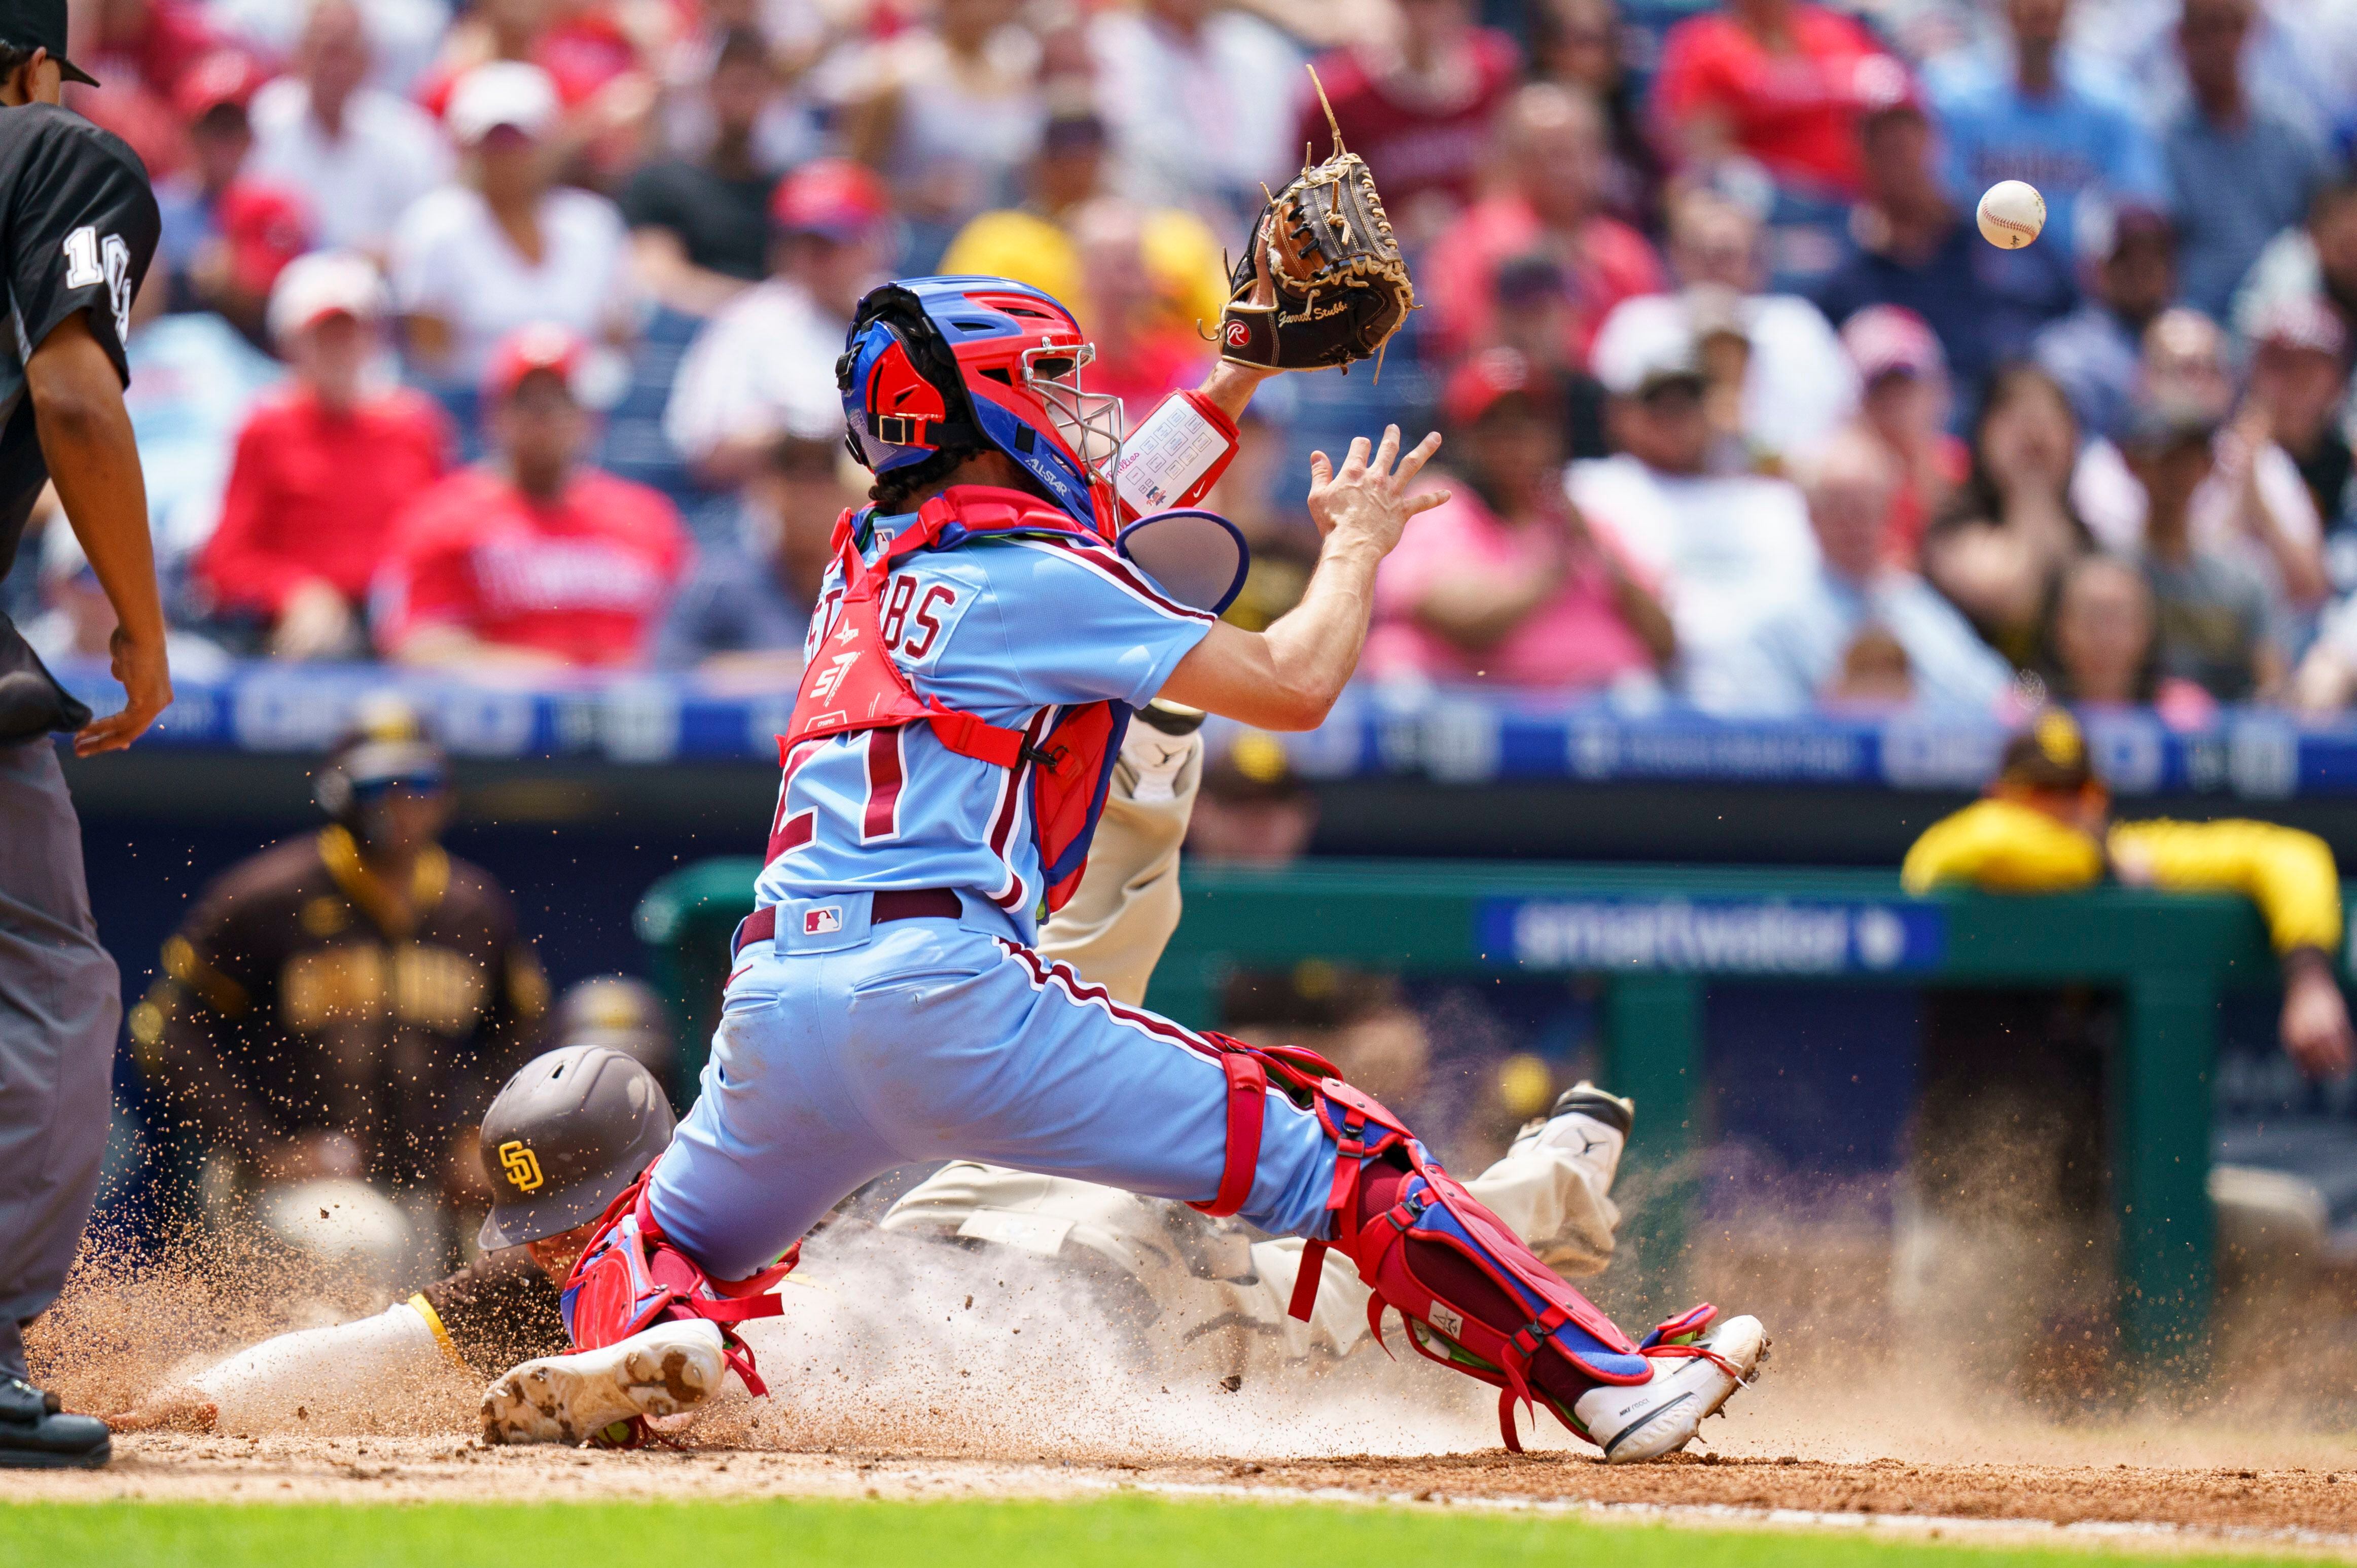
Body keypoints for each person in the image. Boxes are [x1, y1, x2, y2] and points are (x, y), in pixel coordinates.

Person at [476, 273, 1766, 1457]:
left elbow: (1104, 501)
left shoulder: (858, 557)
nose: (1074, 406)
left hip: (779, 1007)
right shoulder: (1036, 576)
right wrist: (1364, 541)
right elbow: (1298, 682)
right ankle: (1610, 1380)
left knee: (650, 1227)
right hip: (951, 991)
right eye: (1042, 382)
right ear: (980, 406)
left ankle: (647, 1331)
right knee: (1345, 1148)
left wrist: (1239, 368)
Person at [103, 729, 1642, 1439]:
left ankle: (1541, 1196)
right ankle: (1544, 1190)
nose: (572, 1246)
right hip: (988, 1251)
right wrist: (201, 1398)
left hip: (1057, 1286)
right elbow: (391, 1338)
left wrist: (657, 1364)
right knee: (1285, 1282)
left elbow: (815, 1324)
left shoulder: (747, 1148)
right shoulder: (576, 1267)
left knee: (1281, 1268)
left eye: (587, 1215)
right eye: (557, 1228)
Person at [0, 0, 170, 1472]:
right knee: (46, 983)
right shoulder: (48, 144)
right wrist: (140, 624)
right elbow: (71, 388)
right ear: (29, 63)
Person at [134, 700, 549, 1217]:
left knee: (518, 1250)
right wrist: (261, 1148)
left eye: (419, 781)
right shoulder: (267, 896)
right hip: (287, 1188)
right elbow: (166, 1030)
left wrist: (478, 1134)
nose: (402, 803)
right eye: (379, 786)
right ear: (338, 792)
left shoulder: (474, 907)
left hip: (430, 1188)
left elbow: (525, 1027)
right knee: (364, 1243)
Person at [373, 323, 689, 671]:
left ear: (589, 418)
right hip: (495, 721)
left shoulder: (646, 517)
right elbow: (417, 644)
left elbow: (692, 641)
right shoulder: (442, 517)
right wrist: (552, 682)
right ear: (495, 416)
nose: (545, 417)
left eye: (560, 400)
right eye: (528, 402)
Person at [1367, 348, 1672, 690]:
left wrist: (1601, 559)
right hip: (1467, 715)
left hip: (1592, 714)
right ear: (1466, 440)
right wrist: (1554, 568)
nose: (1517, 442)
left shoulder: (1582, 518)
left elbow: (1665, 642)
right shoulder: (1439, 502)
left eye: (1530, 424)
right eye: (1498, 427)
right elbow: (1461, 618)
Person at [196, 251, 450, 659]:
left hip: (403, 621)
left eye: (349, 333)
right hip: (309, 627)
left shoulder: (416, 427)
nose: (339, 349)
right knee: (322, 647)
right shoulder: (265, 428)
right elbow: (225, 562)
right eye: (323, 335)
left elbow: (442, 541)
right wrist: (295, 592)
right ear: (291, 345)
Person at [1691, 428, 2011, 716]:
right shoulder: (1776, 614)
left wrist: (2043, 705)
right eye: (1840, 508)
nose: (1855, 524)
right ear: (1812, 516)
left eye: (1867, 508)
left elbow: (2003, 696)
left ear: (1888, 512)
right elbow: (1754, 729)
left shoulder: (1917, 606)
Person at [1567, 327, 1818, 674]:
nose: (1676, 418)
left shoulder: (1772, 503)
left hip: (1765, 691)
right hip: (1639, 691)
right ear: (1622, 414)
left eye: (1690, 403)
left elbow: (1797, 605)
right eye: (1659, 405)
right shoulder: (1590, 489)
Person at [387, 61, 633, 392]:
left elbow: (617, 341)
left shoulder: (593, 224)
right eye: (494, 141)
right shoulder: (436, 227)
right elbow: (432, 362)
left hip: (578, 418)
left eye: (519, 140)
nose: (507, 155)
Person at [663, 158, 892, 492]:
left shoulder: (905, 314)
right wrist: (808, 435)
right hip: (771, 510)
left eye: (828, 244)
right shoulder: (750, 322)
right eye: (799, 243)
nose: (810, 258)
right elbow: (709, 458)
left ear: (871, 243)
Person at [1589, 187, 1856, 469]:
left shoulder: (1798, 326)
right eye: (1701, 252)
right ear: (1676, 256)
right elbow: (1612, 424)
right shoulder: (1638, 324)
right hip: (1656, 490)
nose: (1714, 267)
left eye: (1727, 255)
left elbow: (1845, 426)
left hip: (1781, 495)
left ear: (1758, 262)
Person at [1422, 83, 1664, 372]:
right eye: (1548, 154)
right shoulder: (1474, 242)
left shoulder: (1626, 250)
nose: (1565, 169)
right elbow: (1463, 341)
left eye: (1578, 152)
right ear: (1511, 160)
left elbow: (1653, 352)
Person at [1925, 0, 2166, 275]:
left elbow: (2141, 209)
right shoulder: (1952, 97)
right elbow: (1935, 211)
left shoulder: (2112, 101)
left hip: (2082, 296)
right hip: (1977, 293)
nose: (2038, 8)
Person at [1812, 96, 2014, 397]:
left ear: (1935, 147)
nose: (1903, 163)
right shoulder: (1847, 284)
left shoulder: (1994, 243)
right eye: (1887, 150)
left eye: (1909, 144)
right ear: (1865, 161)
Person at [832, 0, 1041, 272]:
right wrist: (915, 198)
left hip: (992, 257)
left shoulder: (1016, 78)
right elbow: (850, 180)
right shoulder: (898, 74)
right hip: (910, 255)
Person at [1292, 0, 1521, 244]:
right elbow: (1306, 209)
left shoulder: (1495, 69)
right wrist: (1390, 228)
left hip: (1482, 249)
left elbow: (1516, 182)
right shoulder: (1340, 94)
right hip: (1378, 262)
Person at [2163, 0, 2329, 323]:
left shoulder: (2293, 132)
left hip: (2287, 323)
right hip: (2194, 324)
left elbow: (2319, 234)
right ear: (2182, 38)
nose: (2224, 43)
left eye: (2236, 27)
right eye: (2210, 27)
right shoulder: (2159, 138)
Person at [243, 0, 451, 256]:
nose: (330, 67)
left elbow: (429, 235)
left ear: (368, 59)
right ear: (297, 55)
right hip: (282, 279)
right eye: (320, 50)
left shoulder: (409, 135)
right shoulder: (262, 123)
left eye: (342, 51)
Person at [1919, 362, 2091, 670]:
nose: (2036, 433)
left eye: (2050, 419)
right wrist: (2029, 489)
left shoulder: (2087, 536)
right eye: (2018, 418)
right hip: (1977, 709)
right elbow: (2015, 601)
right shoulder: (1952, 525)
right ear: (1984, 431)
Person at [1087, 0, 1303, 236]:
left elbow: (1279, 132)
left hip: (1260, 206)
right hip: (1167, 211)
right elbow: (1143, 136)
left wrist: (1257, 192)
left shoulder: (1255, 43)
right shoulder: (1117, 43)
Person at [1652, 0, 1904, 202]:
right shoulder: (1704, 44)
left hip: (1857, 199)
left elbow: (1897, 107)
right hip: (1765, 208)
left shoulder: (1837, 31)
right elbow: (1699, 151)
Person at [619, 26, 780, 319]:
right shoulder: (660, 182)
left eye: (754, 83)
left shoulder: (787, 190)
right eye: (733, 83)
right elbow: (659, 280)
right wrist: (763, 305)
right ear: (709, 88)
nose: (743, 97)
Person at [2030, 200, 2176, 444]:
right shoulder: (2064, 351)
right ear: (2094, 267)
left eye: (2156, 256)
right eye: (2125, 258)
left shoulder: (2196, 339)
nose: (2142, 270)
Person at [1839, 305, 1964, 565]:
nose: (1897, 403)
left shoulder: (1961, 467)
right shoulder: (1843, 486)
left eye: (1908, 386)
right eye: (1880, 390)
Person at [2039, 551, 2215, 727]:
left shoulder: (2185, 711)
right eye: (2091, 619)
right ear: (2060, 628)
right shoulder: (2031, 714)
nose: (2105, 636)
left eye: (2119, 618)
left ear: (2147, 628)